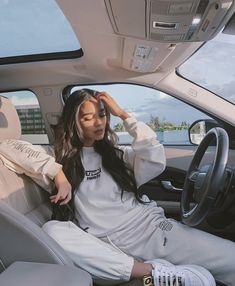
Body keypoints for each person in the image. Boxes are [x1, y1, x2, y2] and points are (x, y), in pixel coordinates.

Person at [0, 89, 233, 285]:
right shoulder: (56, 157)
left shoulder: (119, 156)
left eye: (102, 115)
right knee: (53, 231)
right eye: (88, 117)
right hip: (108, 246)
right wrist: (58, 174)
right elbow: (8, 145)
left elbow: (154, 158)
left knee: (230, 258)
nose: (99, 122)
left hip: (154, 230)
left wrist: (124, 115)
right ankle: (154, 273)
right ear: (74, 121)